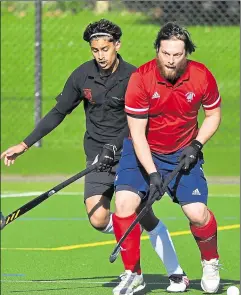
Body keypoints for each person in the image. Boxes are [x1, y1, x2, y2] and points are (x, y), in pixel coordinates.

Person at [1, 19, 188, 293]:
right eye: (95, 50)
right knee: (98, 218)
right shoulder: (82, 76)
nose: (100, 55)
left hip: (130, 156)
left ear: (117, 46)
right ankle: (131, 237)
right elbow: (58, 112)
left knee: (141, 215)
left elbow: (139, 120)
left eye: (105, 49)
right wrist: (25, 144)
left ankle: (174, 273)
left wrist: (117, 145)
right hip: (97, 157)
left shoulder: (134, 77)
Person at [113, 22, 221, 295]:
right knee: (125, 203)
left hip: (184, 151)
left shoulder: (202, 76)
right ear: (157, 51)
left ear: (186, 53)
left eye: (177, 54)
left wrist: (196, 145)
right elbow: (137, 134)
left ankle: (210, 261)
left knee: (197, 213)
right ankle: (133, 275)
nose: (171, 60)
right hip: (143, 150)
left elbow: (213, 115)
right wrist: (151, 173)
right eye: (165, 53)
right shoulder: (141, 78)